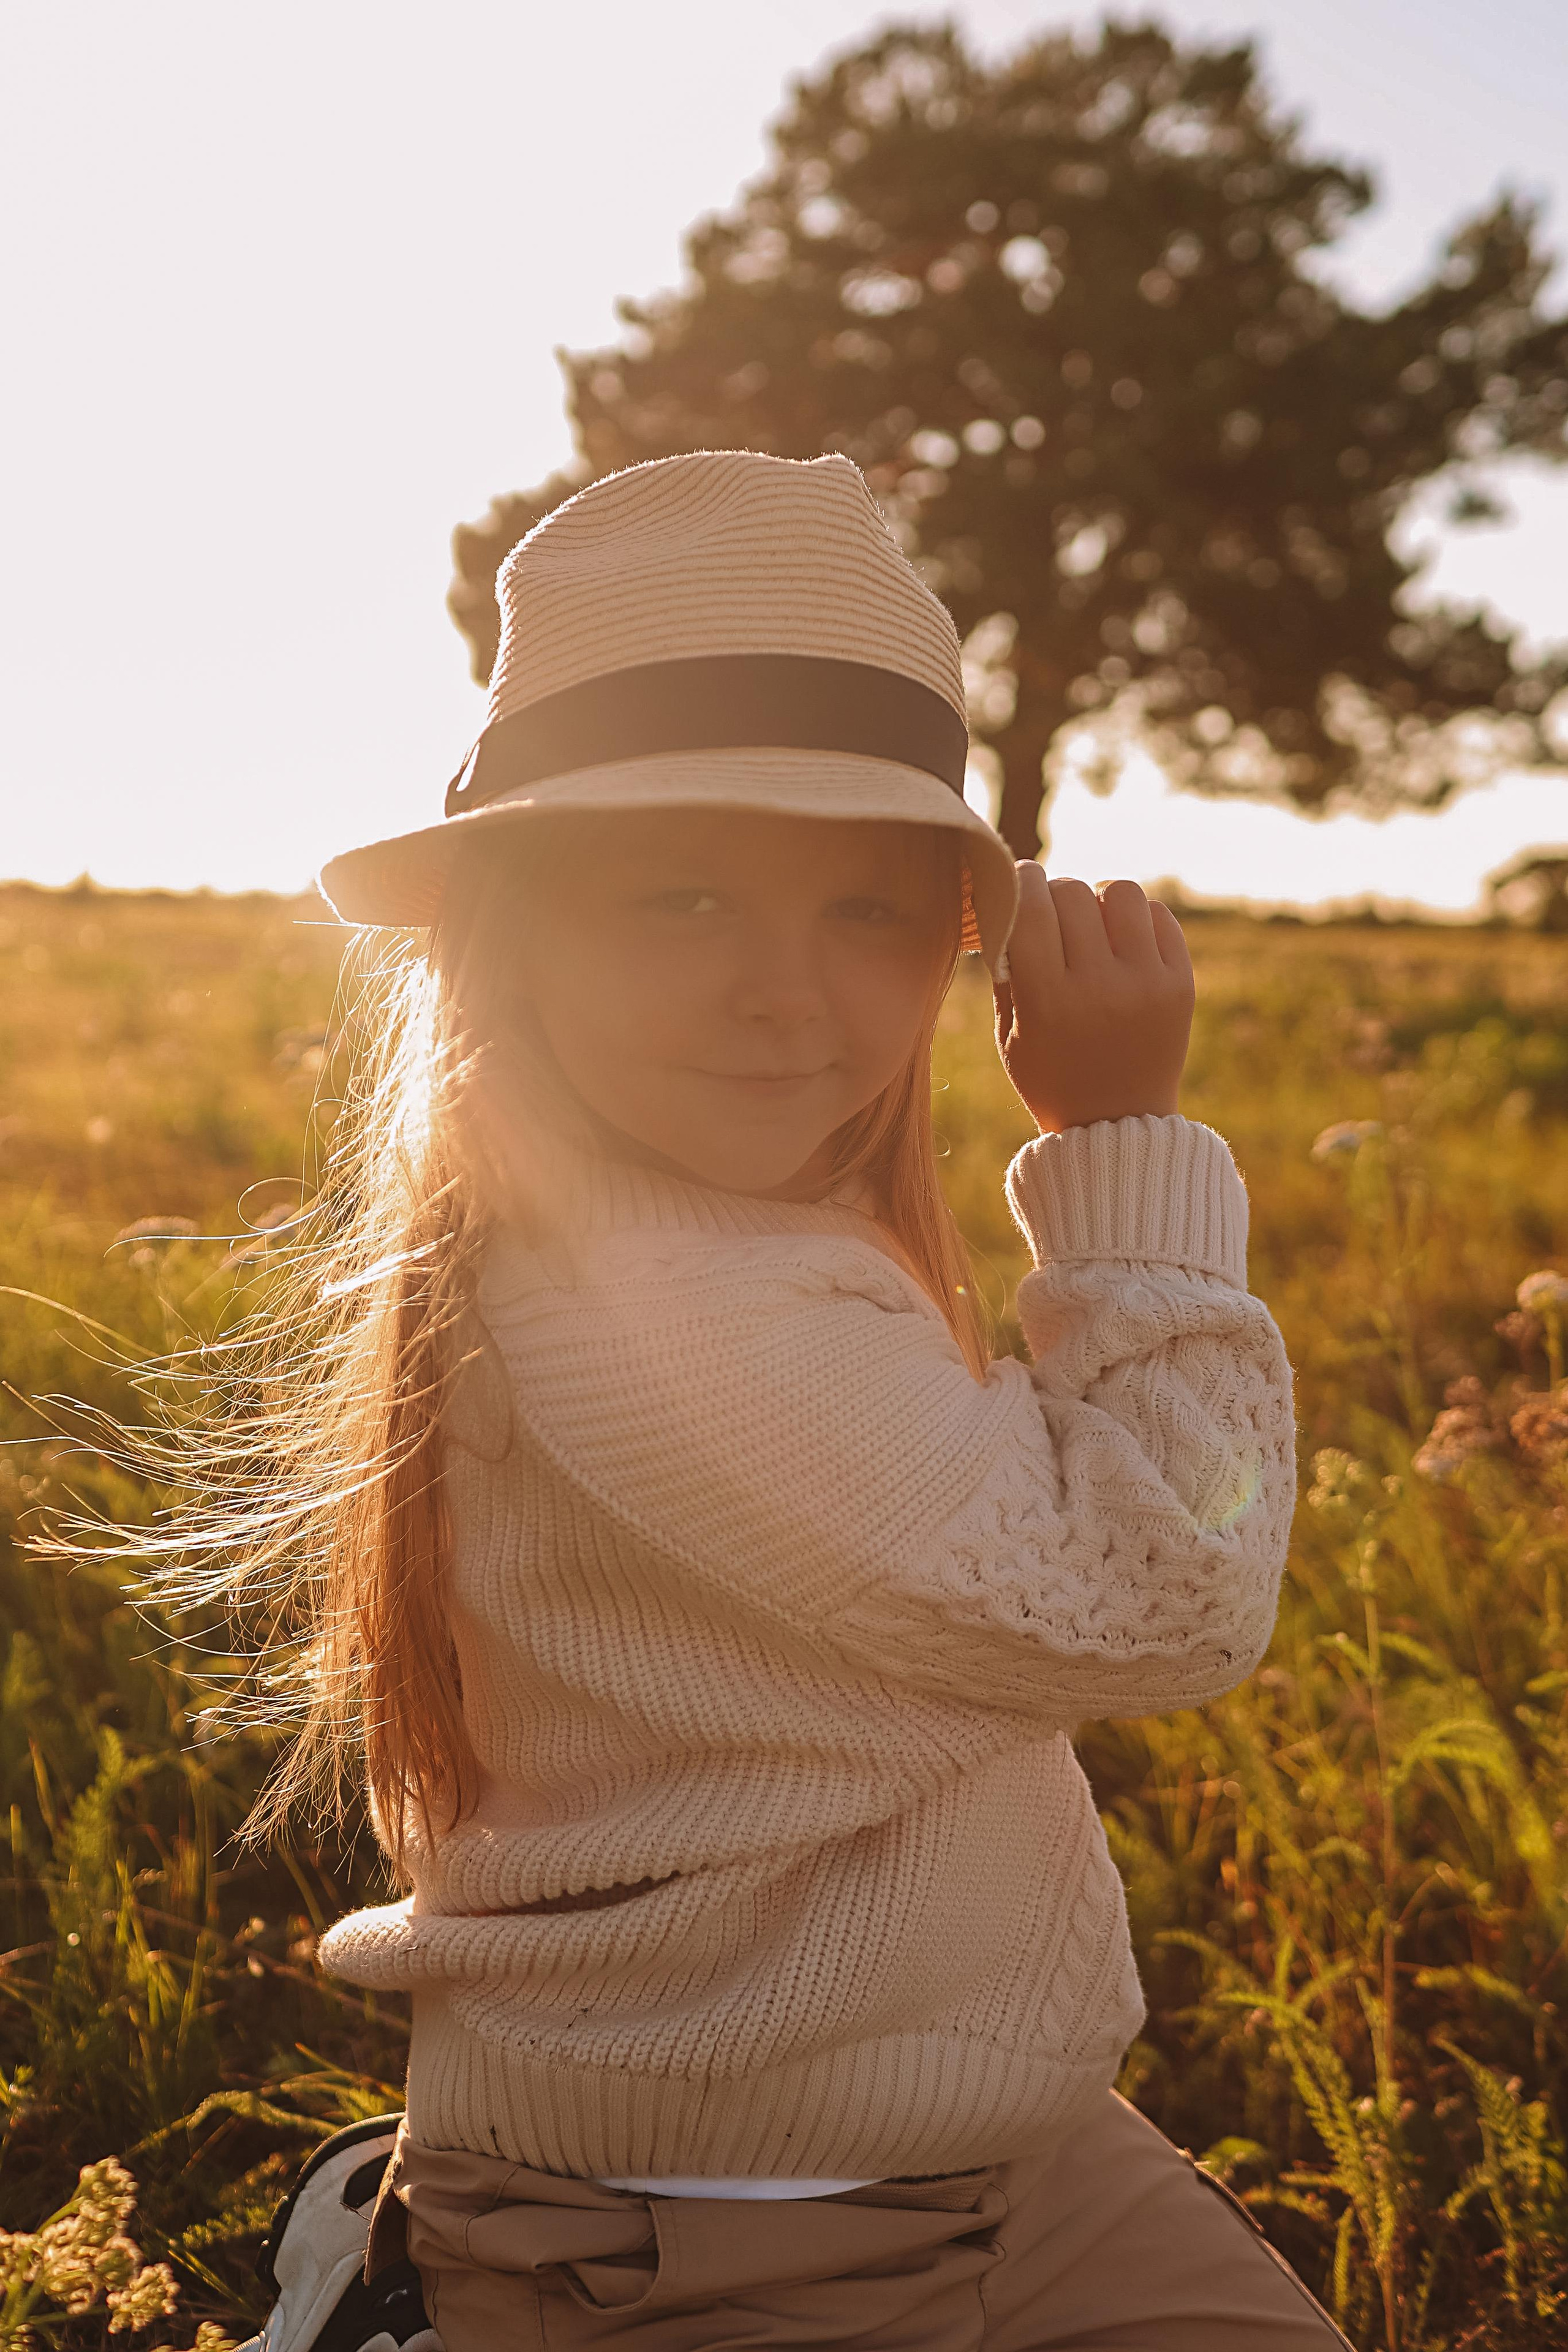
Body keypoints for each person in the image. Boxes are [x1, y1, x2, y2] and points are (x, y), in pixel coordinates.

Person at [221, 450, 1343, 2345]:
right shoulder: (672, 1309)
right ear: (514, 922)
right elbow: (1171, 1587)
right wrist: (1132, 1142)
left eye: (868, 913)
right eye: (683, 898)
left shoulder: (701, 1234)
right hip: (721, 2215)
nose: (787, 996)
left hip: (1001, 2149)